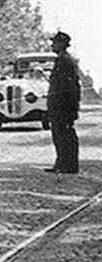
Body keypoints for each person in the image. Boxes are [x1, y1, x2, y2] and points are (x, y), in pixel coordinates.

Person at [46, 31, 81, 174]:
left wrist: (68, 107)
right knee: (60, 135)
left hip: (63, 106)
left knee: (64, 135)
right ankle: (62, 163)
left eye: (55, 42)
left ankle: (68, 165)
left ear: (61, 44)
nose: (52, 45)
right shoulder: (62, 59)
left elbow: (67, 86)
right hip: (61, 105)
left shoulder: (65, 61)